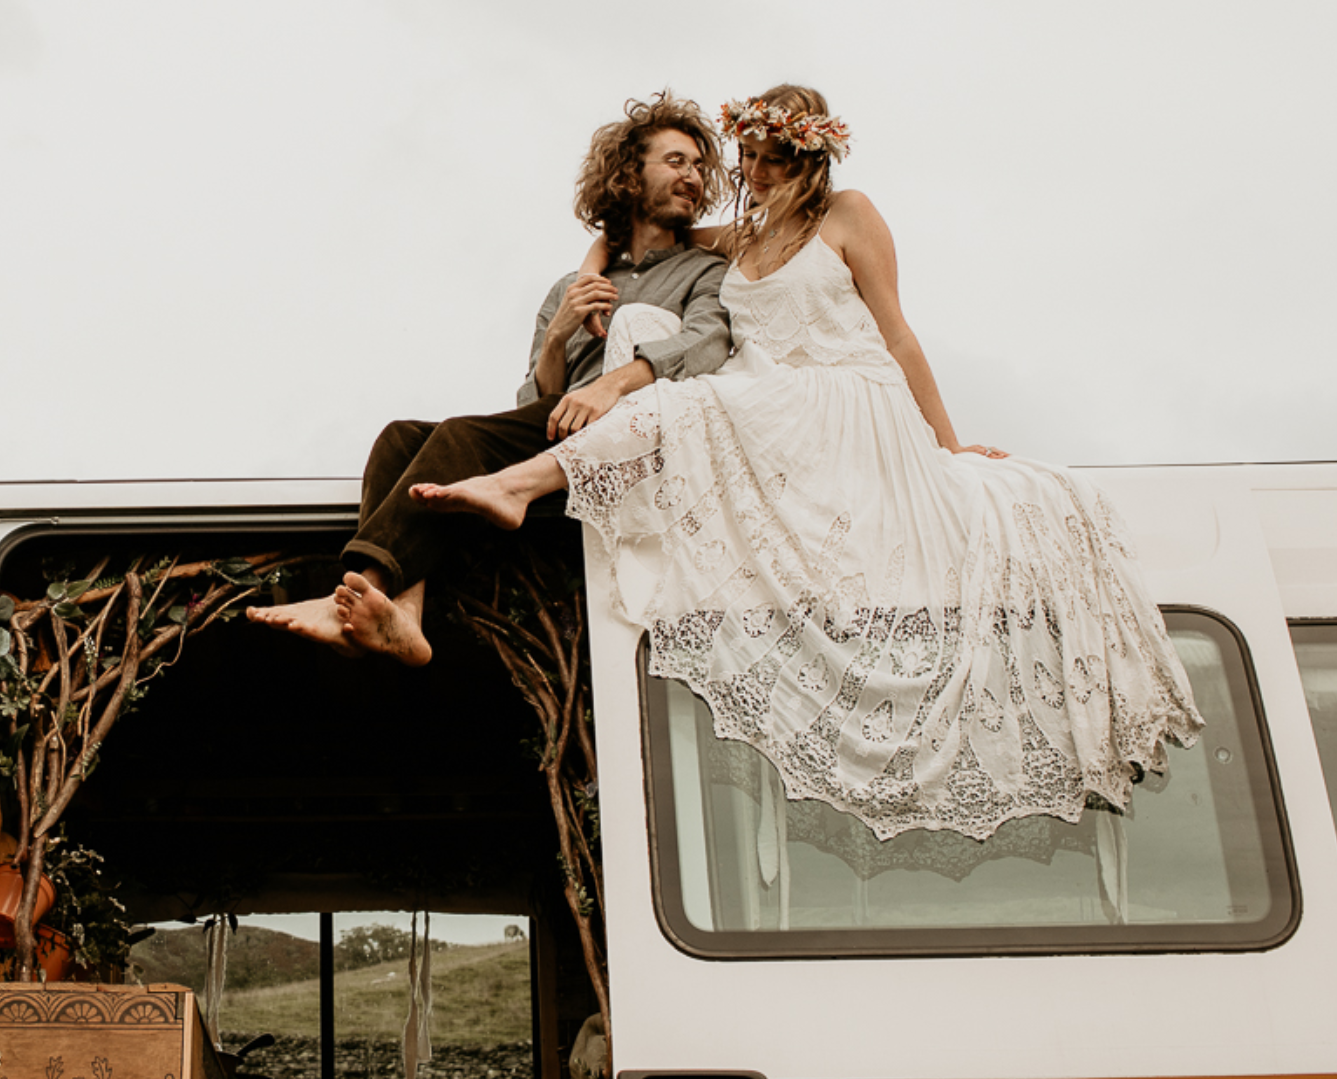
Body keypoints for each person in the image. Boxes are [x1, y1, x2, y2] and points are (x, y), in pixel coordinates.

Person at [414, 84, 1201, 841]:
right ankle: (517, 487)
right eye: (749, 156)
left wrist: (947, 443)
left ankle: (517, 485)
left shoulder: (849, 215)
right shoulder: (740, 238)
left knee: (672, 404)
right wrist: (590, 253)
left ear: (811, 152)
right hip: (774, 400)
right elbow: (640, 241)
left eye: (773, 156)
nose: (754, 172)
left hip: (848, 395)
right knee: (674, 406)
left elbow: (898, 333)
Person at [249, 91, 737, 667]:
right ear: (630, 176)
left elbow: (707, 344)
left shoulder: (706, 271)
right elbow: (536, 401)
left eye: (700, 166)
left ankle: (354, 590)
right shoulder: (570, 286)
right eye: (676, 161)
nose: (694, 176)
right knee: (399, 437)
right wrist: (557, 336)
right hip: (561, 433)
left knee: (461, 436)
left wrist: (612, 383)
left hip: (631, 438)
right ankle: (403, 613)